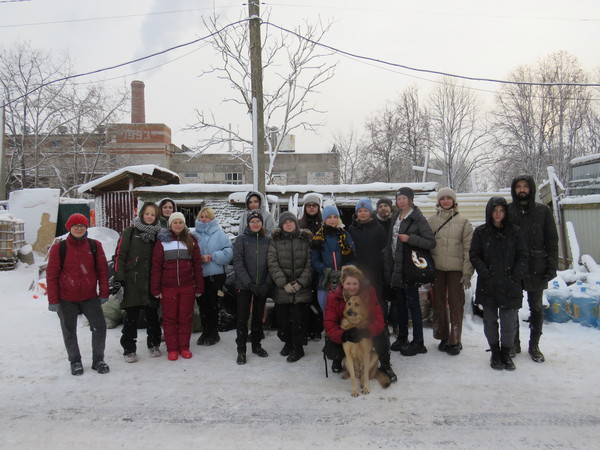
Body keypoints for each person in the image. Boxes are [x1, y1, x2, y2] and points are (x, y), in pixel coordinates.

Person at [46, 213, 110, 375]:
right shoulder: (59, 248)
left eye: (82, 225)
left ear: (86, 228)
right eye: (75, 226)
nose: (79, 228)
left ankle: (98, 360)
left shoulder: (95, 246)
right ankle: (75, 361)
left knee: (100, 327)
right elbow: (52, 275)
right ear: (69, 228)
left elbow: (102, 271)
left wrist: (103, 293)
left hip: (90, 297)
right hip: (66, 298)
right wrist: (53, 300)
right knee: (69, 331)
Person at [470, 197, 528, 371]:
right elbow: (474, 254)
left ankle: (506, 353)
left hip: (510, 284)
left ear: (506, 212)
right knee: (490, 321)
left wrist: (515, 275)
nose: (498, 214)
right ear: (489, 212)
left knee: (509, 322)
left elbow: (523, 255)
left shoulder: (515, 232)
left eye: (501, 210)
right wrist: (484, 271)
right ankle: (495, 352)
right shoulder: (481, 232)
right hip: (488, 283)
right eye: (495, 210)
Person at [508, 175, 559, 363]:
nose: (522, 190)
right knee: (511, 307)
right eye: (518, 186)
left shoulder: (543, 211)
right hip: (512, 267)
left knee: (536, 308)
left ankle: (534, 345)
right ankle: (513, 343)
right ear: (514, 190)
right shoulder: (508, 210)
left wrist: (551, 265)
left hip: (537, 266)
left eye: (525, 186)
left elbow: (552, 240)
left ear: (531, 189)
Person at [383, 187, 436, 356]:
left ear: (411, 199)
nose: (401, 202)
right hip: (397, 268)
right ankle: (403, 337)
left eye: (404, 198)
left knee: (413, 305)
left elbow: (430, 242)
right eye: (398, 199)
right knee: (400, 305)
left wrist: (410, 239)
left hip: (410, 269)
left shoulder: (417, 218)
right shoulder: (395, 217)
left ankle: (419, 342)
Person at [323, 265, 397, 382]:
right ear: (343, 282)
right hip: (345, 329)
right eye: (348, 284)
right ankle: (338, 360)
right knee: (332, 349)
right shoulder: (334, 296)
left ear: (359, 284)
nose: (351, 288)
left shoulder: (369, 293)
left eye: (355, 284)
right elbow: (329, 324)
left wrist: (368, 331)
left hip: (364, 328)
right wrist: (343, 335)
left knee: (382, 338)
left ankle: (385, 365)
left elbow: (378, 318)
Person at [113, 202, 163, 363]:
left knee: (152, 316)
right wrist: (119, 277)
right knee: (131, 317)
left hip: (150, 281)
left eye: (153, 214)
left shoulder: (159, 235)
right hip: (132, 280)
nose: (149, 216)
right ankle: (129, 349)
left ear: (156, 217)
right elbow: (120, 255)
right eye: (147, 213)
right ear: (142, 214)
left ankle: (154, 344)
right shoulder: (130, 232)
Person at [151, 212, 204, 361]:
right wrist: (155, 288)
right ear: (170, 224)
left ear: (184, 224)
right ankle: (172, 348)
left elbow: (197, 265)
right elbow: (156, 266)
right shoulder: (162, 241)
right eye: (175, 222)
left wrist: (199, 286)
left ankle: (184, 347)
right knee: (169, 319)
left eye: (180, 222)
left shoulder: (191, 241)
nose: (178, 225)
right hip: (168, 287)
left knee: (185, 318)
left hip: (187, 287)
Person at [427, 188, 473, 356]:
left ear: (454, 201)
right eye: (443, 198)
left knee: (456, 304)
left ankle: (455, 340)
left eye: (449, 198)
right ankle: (443, 337)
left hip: (456, 270)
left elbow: (469, 249)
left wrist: (467, 273)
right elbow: (426, 247)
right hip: (437, 269)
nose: (446, 201)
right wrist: (426, 270)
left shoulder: (463, 221)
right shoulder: (431, 221)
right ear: (438, 201)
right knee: (438, 304)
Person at [267, 211, 313, 362]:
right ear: (281, 225)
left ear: (295, 223)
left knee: (298, 321)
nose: (288, 224)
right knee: (284, 321)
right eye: (285, 222)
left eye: (291, 221)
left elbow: (310, 264)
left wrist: (300, 282)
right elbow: (272, 263)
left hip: (302, 288)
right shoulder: (276, 240)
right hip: (283, 288)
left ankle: (298, 348)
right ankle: (288, 343)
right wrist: (284, 283)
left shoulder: (305, 239)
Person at [232, 210, 272, 365]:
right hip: (244, 285)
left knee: (257, 317)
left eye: (258, 221)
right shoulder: (241, 239)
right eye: (252, 221)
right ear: (248, 224)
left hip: (262, 285)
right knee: (242, 318)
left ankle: (257, 345)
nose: (255, 224)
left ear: (262, 223)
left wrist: (267, 282)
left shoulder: (267, 240)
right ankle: (241, 350)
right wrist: (248, 283)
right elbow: (238, 262)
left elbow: (271, 263)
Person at [191, 207, 233, 346]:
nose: (204, 219)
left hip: (215, 275)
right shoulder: (193, 235)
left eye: (207, 216)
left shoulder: (220, 234)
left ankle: (214, 333)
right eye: (201, 216)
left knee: (213, 304)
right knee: (202, 304)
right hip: (199, 275)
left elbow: (229, 253)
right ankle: (205, 330)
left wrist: (213, 256)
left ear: (212, 218)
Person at [311, 204, 356, 313]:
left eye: (335, 217)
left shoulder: (345, 235)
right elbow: (314, 260)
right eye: (329, 217)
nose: (332, 220)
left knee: (344, 311)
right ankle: (328, 329)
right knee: (326, 309)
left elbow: (353, 257)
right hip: (325, 280)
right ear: (324, 219)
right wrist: (327, 271)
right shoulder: (318, 237)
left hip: (344, 279)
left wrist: (344, 271)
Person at [348, 198, 387, 316]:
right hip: (357, 270)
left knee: (376, 299)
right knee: (357, 300)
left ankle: (379, 326)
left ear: (370, 212)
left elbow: (384, 248)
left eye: (365, 210)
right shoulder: (351, 229)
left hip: (374, 270)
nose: (363, 213)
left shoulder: (378, 228)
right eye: (360, 211)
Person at [298, 192, 324, 341]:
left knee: (318, 300)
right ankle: (306, 329)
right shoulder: (299, 225)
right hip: (303, 267)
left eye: (314, 205)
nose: (312, 208)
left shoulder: (324, 224)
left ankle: (317, 329)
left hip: (319, 268)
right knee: (305, 300)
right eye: (309, 205)